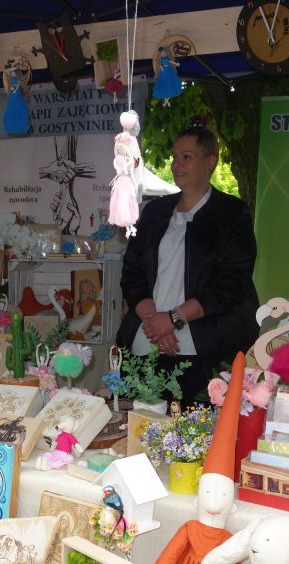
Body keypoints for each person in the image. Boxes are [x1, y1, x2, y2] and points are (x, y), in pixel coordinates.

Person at [117, 117, 259, 406]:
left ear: (210, 162)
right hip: (147, 341)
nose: (176, 164)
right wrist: (155, 323)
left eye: (186, 157)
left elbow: (231, 284)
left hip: (203, 347)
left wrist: (172, 320)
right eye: (175, 157)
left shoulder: (232, 214)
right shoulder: (154, 212)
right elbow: (132, 271)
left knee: (193, 429)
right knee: (136, 423)